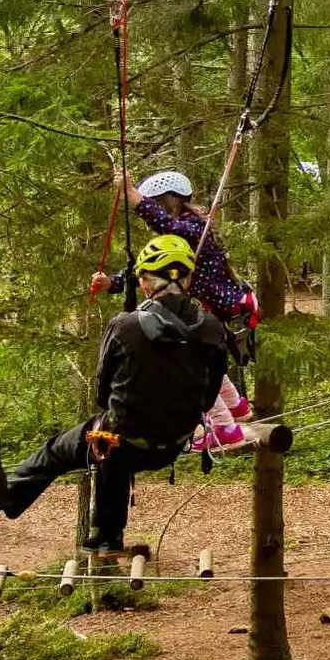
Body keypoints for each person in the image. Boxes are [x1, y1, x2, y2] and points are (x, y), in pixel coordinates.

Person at [0, 235, 230, 554]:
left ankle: (6, 498)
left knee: (69, 447)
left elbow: (102, 393)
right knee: (112, 439)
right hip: (172, 445)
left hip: (121, 444)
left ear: (144, 282)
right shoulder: (212, 329)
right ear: (188, 279)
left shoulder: (124, 326)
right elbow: (208, 398)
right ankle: (107, 536)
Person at [90, 168, 254, 451]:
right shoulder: (180, 234)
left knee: (192, 362)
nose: (151, 216)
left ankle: (224, 427)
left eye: (155, 204)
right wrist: (112, 282)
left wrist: (133, 196)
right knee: (200, 355)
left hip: (218, 307)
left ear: (170, 201)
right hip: (210, 307)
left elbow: (167, 225)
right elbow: (155, 268)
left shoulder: (194, 227)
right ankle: (235, 405)